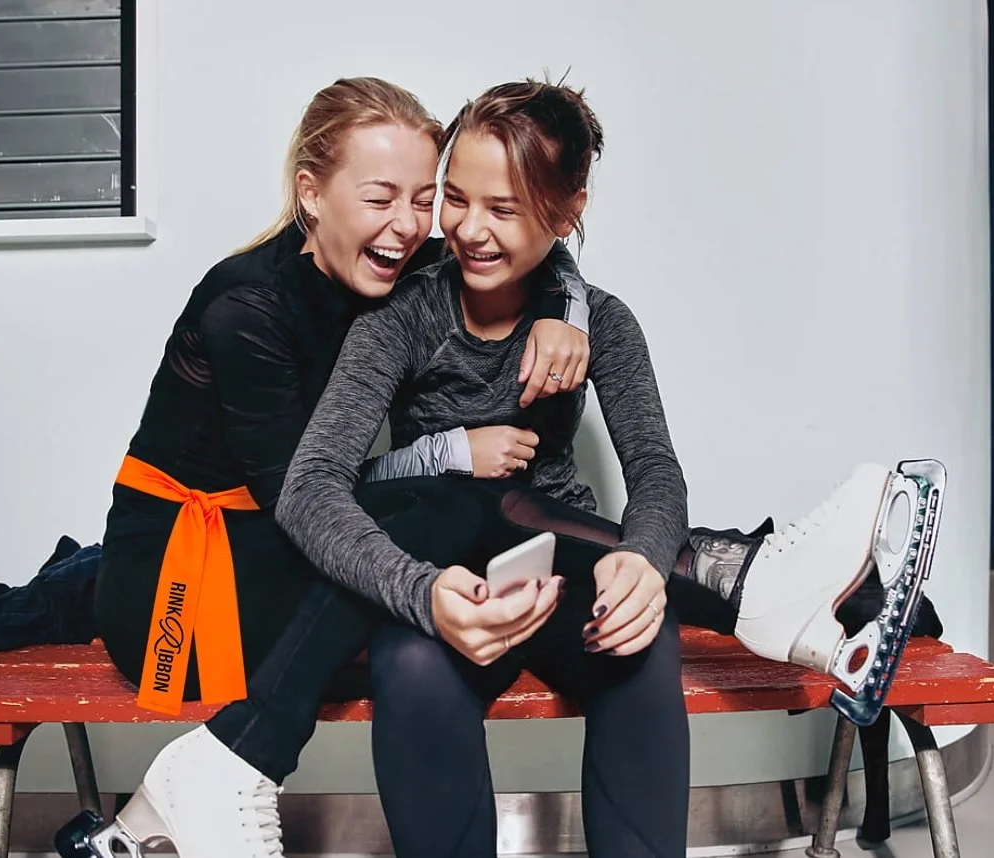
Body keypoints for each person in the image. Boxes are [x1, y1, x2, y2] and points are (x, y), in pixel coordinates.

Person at [274, 78, 945, 857]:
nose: (467, 230)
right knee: (413, 665)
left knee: (639, 633)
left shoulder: (603, 321)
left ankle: (722, 581)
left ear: (566, 213)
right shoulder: (402, 315)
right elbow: (313, 486)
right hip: (447, 587)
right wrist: (422, 591)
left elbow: (655, 470)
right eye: (454, 199)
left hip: (566, 577)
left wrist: (643, 560)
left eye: (505, 209)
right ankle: (740, 576)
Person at [54, 77, 596, 858]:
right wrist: (448, 461)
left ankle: (197, 784)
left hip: (286, 564)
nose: (409, 227)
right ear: (311, 194)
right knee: (452, 513)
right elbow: (307, 503)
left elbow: (529, 232)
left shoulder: (396, 268)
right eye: (381, 198)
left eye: (422, 198)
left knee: (462, 553)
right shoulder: (247, 307)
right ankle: (231, 767)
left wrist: (562, 309)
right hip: (182, 581)